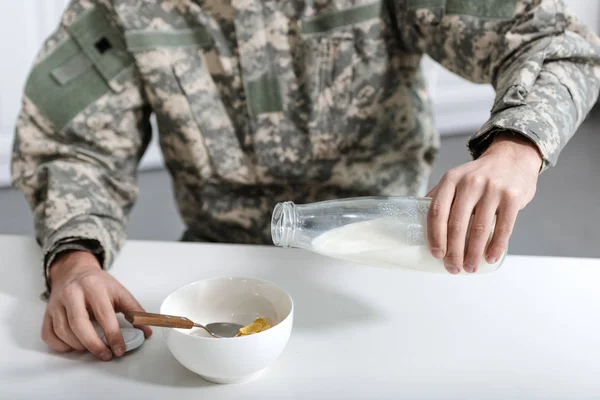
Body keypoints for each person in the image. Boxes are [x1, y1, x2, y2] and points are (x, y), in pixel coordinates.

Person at [11, 0, 600, 361]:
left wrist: (516, 147)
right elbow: (71, 145)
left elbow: (556, 42)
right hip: (222, 277)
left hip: (388, 265)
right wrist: (75, 262)